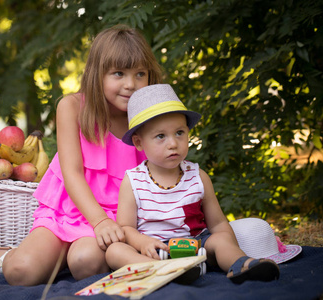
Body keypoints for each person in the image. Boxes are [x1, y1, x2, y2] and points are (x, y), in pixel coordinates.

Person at [0, 25, 162, 286]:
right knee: (21, 272)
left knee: (86, 263)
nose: (130, 84)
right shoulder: (73, 107)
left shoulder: (148, 117)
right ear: (97, 75)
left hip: (120, 217)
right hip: (71, 208)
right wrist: (98, 222)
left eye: (140, 74)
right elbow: (72, 173)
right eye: (118, 73)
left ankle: (62, 257)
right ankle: (8, 255)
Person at [105, 84, 280, 284]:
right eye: (160, 136)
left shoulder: (198, 177)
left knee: (220, 240)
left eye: (179, 132)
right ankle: (157, 269)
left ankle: (242, 264)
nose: (173, 143)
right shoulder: (134, 180)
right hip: (153, 250)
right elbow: (126, 227)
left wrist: (227, 245)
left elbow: (219, 224)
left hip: (195, 246)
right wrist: (143, 242)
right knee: (115, 251)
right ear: (138, 143)